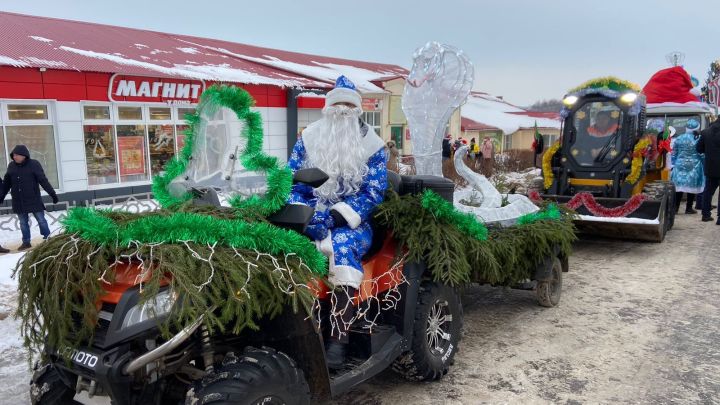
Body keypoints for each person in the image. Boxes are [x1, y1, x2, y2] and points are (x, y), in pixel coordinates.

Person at [287, 76, 386, 368]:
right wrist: (307, 212)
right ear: (327, 109)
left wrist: (335, 216)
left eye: (348, 106)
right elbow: (291, 181)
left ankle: (338, 337)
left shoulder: (372, 145)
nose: (342, 111)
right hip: (311, 216)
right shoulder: (308, 138)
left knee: (341, 248)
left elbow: (374, 192)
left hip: (353, 223)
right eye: (337, 105)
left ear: (357, 110)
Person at [0, 145, 58, 249]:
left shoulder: (34, 164)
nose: (14, 157)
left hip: (33, 199)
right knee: (23, 222)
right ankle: (26, 242)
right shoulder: (11, 166)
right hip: (19, 200)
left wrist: (52, 194)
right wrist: (1, 196)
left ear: (24, 155)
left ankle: (48, 238)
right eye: (13, 155)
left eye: (17, 155)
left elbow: (43, 180)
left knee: (41, 220)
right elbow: (6, 183)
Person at [670, 119, 704, 214]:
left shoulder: (679, 138)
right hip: (694, 165)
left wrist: (673, 163)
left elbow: (674, 152)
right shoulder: (698, 138)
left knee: (679, 187)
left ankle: (675, 208)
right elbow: (701, 153)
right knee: (691, 186)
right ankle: (689, 208)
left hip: (680, 164)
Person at [697, 117, 720, 223]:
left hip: (710, 166)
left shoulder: (705, 132)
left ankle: (705, 215)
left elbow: (698, 149)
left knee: (708, 191)